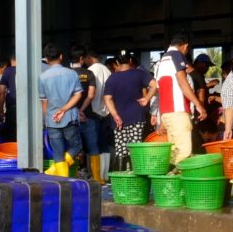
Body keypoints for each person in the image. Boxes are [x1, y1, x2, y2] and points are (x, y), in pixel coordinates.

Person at [153, 31, 207, 165]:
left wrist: (161, 120)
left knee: (173, 154)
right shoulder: (177, 55)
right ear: (185, 46)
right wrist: (199, 105)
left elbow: (160, 90)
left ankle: (172, 184)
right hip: (178, 112)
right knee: (183, 154)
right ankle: (182, 184)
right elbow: (182, 82)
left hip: (167, 113)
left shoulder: (161, 61)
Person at [104, 50, 158, 171]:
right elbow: (154, 84)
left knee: (120, 149)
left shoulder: (112, 78)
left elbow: (107, 98)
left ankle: (121, 180)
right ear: (130, 60)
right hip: (136, 117)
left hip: (119, 120)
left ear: (116, 62)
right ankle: (135, 178)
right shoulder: (139, 74)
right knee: (135, 147)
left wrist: (115, 115)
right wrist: (146, 98)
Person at [39, 43, 84, 165]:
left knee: (57, 154)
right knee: (77, 146)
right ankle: (63, 165)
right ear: (61, 56)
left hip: (52, 119)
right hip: (69, 117)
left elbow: (44, 102)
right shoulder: (71, 74)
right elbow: (78, 95)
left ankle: (60, 178)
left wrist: (47, 119)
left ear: (47, 60)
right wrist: (64, 109)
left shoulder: (42, 77)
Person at [71, 47, 98, 179]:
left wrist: (75, 111)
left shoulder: (67, 74)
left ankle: (76, 174)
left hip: (70, 116)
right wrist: (81, 110)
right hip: (87, 115)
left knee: (75, 146)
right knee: (93, 146)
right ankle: (97, 177)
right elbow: (91, 94)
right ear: (81, 59)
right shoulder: (89, 74)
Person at [0, 55, 17, 142]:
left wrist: (1, 111)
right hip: (28, 109)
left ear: (11, 60)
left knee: (11, 137)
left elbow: (1, 91)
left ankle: (14, 155)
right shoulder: (28, 69)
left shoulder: (8, 71)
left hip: (13, 108)